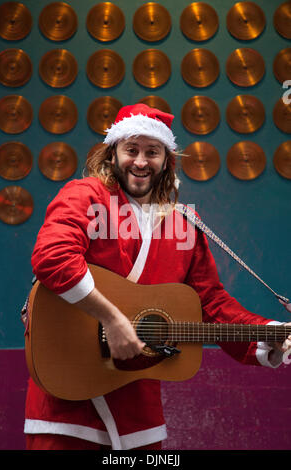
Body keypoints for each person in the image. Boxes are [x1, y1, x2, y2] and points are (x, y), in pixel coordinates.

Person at [24, 103, 291, 451]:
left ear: (166, 160)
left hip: (138, 412)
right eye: (130, 150)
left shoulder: (184, 226)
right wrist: (112, 319)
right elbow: (52, 257)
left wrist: (267, 332)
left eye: (152, 152)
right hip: (66, 409)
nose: (140, 161)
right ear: (113, 153)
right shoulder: (85, 195)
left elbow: (210, 303)